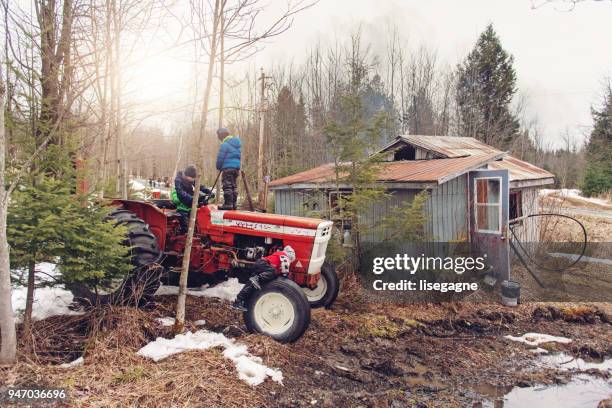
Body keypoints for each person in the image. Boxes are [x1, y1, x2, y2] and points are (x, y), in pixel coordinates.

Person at [231, 246, 296, 311]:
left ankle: (238, 302)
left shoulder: (278, 254)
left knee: (250, 285)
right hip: (263, 264)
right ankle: (257, 278)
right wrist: (285, 276)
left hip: (259, 264)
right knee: (273, 272)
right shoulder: (284, 255)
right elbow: (285, 267)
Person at [171, 165, 214, 232]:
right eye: (190, 180)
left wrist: (208, 191)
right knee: (185, 224)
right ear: (185, 176)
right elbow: (180, 194)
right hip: (183, 207)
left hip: (191, 205)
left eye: (192, 180)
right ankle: (184, 234)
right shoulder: (178, 181)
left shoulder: (191, 179)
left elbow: (199, 186)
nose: (191, 182)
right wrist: (192, 199)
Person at [216, 127, 241, 210]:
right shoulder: (237, 145)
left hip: (228, 168)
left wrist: (219, 166)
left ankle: (228, 204)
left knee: (227, 186)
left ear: (222, 136)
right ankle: (233, 204)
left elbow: (220, 158)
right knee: (233, 186)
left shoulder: (225, 144)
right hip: (236, 169)